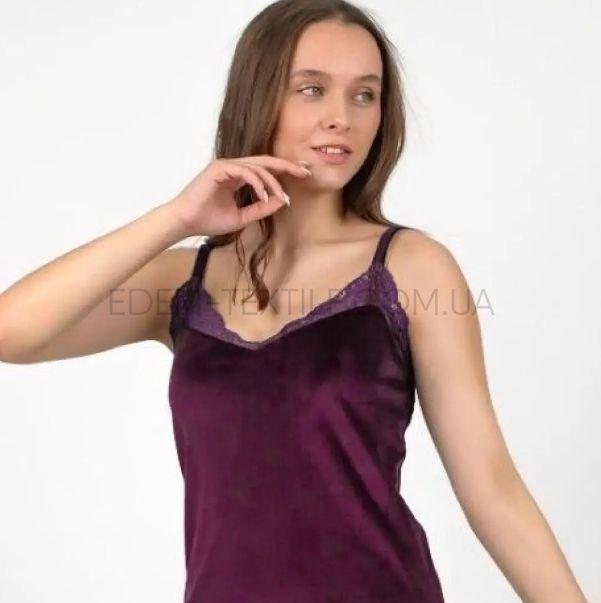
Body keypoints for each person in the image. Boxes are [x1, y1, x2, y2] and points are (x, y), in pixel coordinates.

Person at [0, 1, 589, 602]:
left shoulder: (411, 268)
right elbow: (10, 331)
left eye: (364, 95)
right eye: (312, 89)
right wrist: (175, 218)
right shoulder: (181, 284)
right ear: (258, 99)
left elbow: (491, 489)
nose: (342, 118)